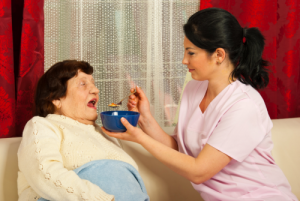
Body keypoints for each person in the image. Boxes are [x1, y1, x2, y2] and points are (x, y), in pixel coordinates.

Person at [102, 8, 298, 201]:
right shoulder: (193, 89)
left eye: (191, 53)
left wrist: (139, 138)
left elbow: (199, 171)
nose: (184, 60)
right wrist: (145, 119)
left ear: (219, 55)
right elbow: (180, 148)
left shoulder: (244, 106)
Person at [17, 60, 149, 201]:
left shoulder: (105, 133)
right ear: (56, 98)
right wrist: (100, 198)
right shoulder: (41, 125)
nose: (95, 90)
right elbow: (43, 173)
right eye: (83, 84)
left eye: (93, 83)